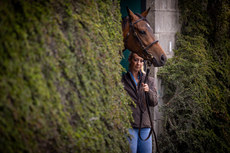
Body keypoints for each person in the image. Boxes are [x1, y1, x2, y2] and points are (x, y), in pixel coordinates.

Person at [122, 53, 158, 153]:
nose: (138, 63)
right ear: (130, 60)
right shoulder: (123, 80)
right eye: (136, 60)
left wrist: (148, 91)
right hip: (129, 126)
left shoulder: (149, 80)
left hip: (145, 127)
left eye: (141, 61)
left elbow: (154, 102)